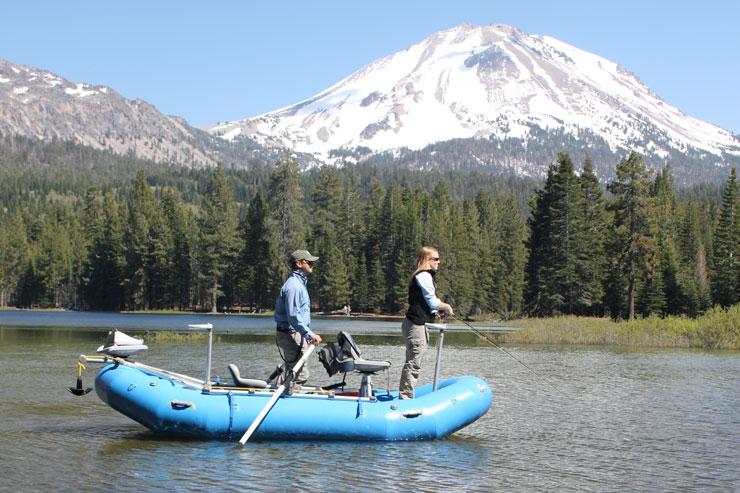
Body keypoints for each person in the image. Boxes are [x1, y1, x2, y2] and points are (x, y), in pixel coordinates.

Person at [399, 246, 453, 399]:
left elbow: (424, 302)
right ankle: (405, 398)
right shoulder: (424, 275)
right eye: (435, 259)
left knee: (413, 361)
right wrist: (446, 307)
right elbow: (432, 300)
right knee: (413, 363)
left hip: (416, 324)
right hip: (415, 326)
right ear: (427, 260)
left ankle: (406, 395)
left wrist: (435, 312)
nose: (438, 262)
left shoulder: (424, 275)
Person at [274, 249, 322, 390]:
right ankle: (288, 399)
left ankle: (280, 390)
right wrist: (309, 334)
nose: (312, 265)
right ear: (299, 264)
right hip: (290, 334)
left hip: (296, 333)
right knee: (300, 375)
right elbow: (293, 316)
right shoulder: (294, 286)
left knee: (293, 370)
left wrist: (305, 333)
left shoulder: (299, 284)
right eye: (309, 262)